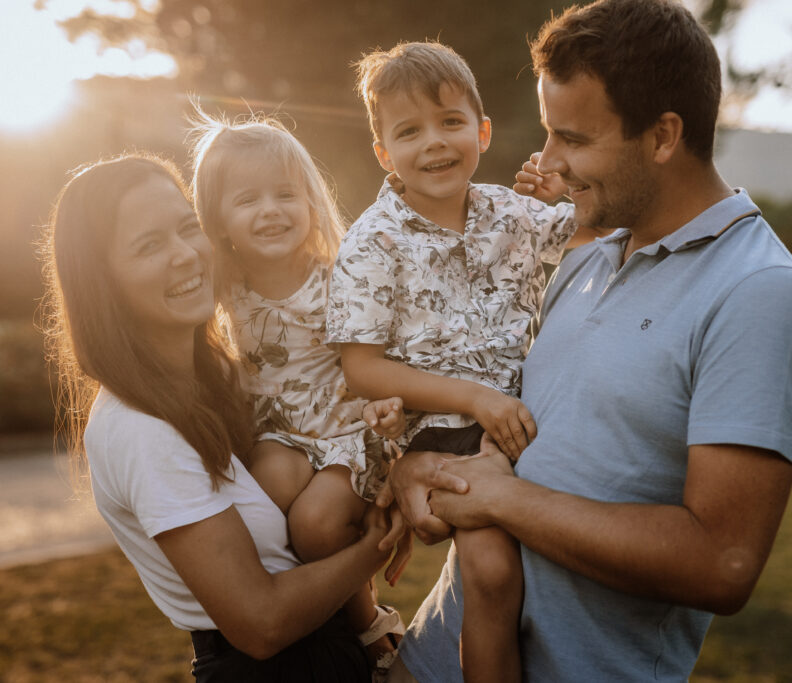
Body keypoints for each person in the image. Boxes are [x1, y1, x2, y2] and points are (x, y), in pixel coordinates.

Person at [385, 1, 792, 681]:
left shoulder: (759, 293)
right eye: (548, 134)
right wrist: (423, 467)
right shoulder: (586, 260)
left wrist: (505, 500)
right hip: (427, 659)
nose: (550, 161)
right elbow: (517, 437)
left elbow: (722, 563)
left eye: (574, 139)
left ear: (663, 135)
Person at [41, 153, 407, 682]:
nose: (186, 255)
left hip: (333, 648)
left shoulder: (224, 375)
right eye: (149, 246)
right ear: (104, 281)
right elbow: (262, 625)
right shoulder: (141, 429)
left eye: (188, 228)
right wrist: (375, 547)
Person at [327, 41, 600, 683]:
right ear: (383, 152)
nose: (434, 144)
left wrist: (564, 188)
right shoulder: (372, 241)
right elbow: (361, 369)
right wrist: (474, 399)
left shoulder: (509, 211)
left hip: (532, 409)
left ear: (481, 131)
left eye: (450, 122)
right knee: (492, 570)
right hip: (446, 429)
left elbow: (588, 232)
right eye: (409, 131)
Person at [189, 113, 410, 676]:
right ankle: (298, 614)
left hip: (348, 433)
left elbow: (385, 351)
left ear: (311, 202)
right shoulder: (224, 286)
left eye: (285, 194)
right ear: (217, 219)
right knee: (259, 499)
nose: (270, 210)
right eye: (247, 199)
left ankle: (369, 626)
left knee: (313, 527)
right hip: (280, 435)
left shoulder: (339, 278)